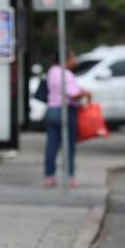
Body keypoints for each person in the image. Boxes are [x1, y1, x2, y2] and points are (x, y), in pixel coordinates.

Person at [44, 50, 92, 187]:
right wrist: (85, 92)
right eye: (72, 57)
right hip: (66, 111)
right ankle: (69, 176)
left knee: (51, 145)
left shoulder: (52, 71)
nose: (74, 60)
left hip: (52, 110)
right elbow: (72, 94)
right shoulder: (66, 74)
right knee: (69, 145)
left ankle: (49, 176)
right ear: (66, 59)